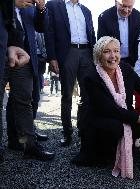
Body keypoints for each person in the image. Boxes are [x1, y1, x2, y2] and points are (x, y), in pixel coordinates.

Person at [72, 36, 140, 179]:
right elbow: (110, 110)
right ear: (99, 55)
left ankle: (119, 147)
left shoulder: (125, 69)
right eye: (107, 51)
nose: (113, 56)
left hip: (122, 115)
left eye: (116, 51)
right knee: (119, 127)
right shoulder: (90, 77)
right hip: (97, 120)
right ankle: (104, 153)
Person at [4, 0, 54, 161]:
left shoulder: (29, 7)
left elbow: (41, 26)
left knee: (24, 101)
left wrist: (41, 8)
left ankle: (28, 144)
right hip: (3, 51)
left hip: (23, 58)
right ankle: (13, 140)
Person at [45, 0, 96, 146]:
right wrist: (52, 57)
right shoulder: (54, 5)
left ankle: (84, 131)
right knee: (66, 95)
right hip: (67, 53)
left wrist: (95, 57)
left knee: (87, 95)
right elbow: (49, 32)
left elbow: (92, 34)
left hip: (87, 52)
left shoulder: (86, 10)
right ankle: (67, 133)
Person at [97, 0, 140, 67]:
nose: (126, 10)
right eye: (123, 6)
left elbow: (138, 39)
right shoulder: (104, 17)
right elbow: (102, 44)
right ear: (116, 2)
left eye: (129, 7)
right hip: (112, 61)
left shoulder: (137, 15)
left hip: (132, 61)